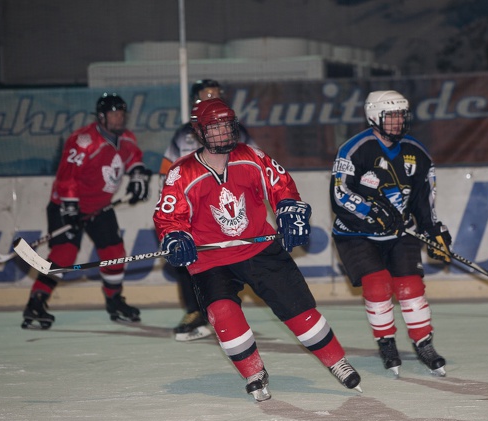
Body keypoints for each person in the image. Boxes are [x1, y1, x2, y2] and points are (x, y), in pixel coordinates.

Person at [153, 98, 362, 402]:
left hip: (259, 247)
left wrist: (289, 208)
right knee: (223, 313)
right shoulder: (181, 172)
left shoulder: (252, 156)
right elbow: (168, 215)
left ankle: (336, 361)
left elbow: (281, 186)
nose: (223, 133)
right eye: (214, 127)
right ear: (199, 132)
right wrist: (174, 236)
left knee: (299, 311)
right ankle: (253, 372)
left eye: (227, 125)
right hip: (211, 259)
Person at [329, 90, 453, 377]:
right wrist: (370, 211)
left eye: (401, 116)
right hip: (355, 233)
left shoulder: (418, 153)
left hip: (400, 231)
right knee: (377, 284)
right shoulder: (354, 149)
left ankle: (424, 343)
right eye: (391, 116)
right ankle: (386, 343)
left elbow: (424, 200)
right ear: (374, 117)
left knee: (410, 286)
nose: (398, 122)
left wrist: (433, 230)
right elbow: (339, 193)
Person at [21, 93, 152, 330]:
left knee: (115, 252)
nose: (119, 118)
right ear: (101, 116)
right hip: (66, 205)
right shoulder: (83, 141)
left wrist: (138, 175)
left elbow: (134, 158)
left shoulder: (128, 138)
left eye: (121, 113)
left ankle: (114, 301)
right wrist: (70, 206)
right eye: (114, 114)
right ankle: (36, 302)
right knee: (65, 254)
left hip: (100, 208)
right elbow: (67, 175)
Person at [158, 79, 256, 341]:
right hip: (191, 209)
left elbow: (255, 167)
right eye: (206, 95)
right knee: (186, 260)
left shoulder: (236, 130)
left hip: (224, 208)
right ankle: (194, 311)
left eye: (216, 94)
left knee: (231, 258)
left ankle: (224, 311)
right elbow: (167, 172)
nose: (213, 98)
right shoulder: (183, 133)